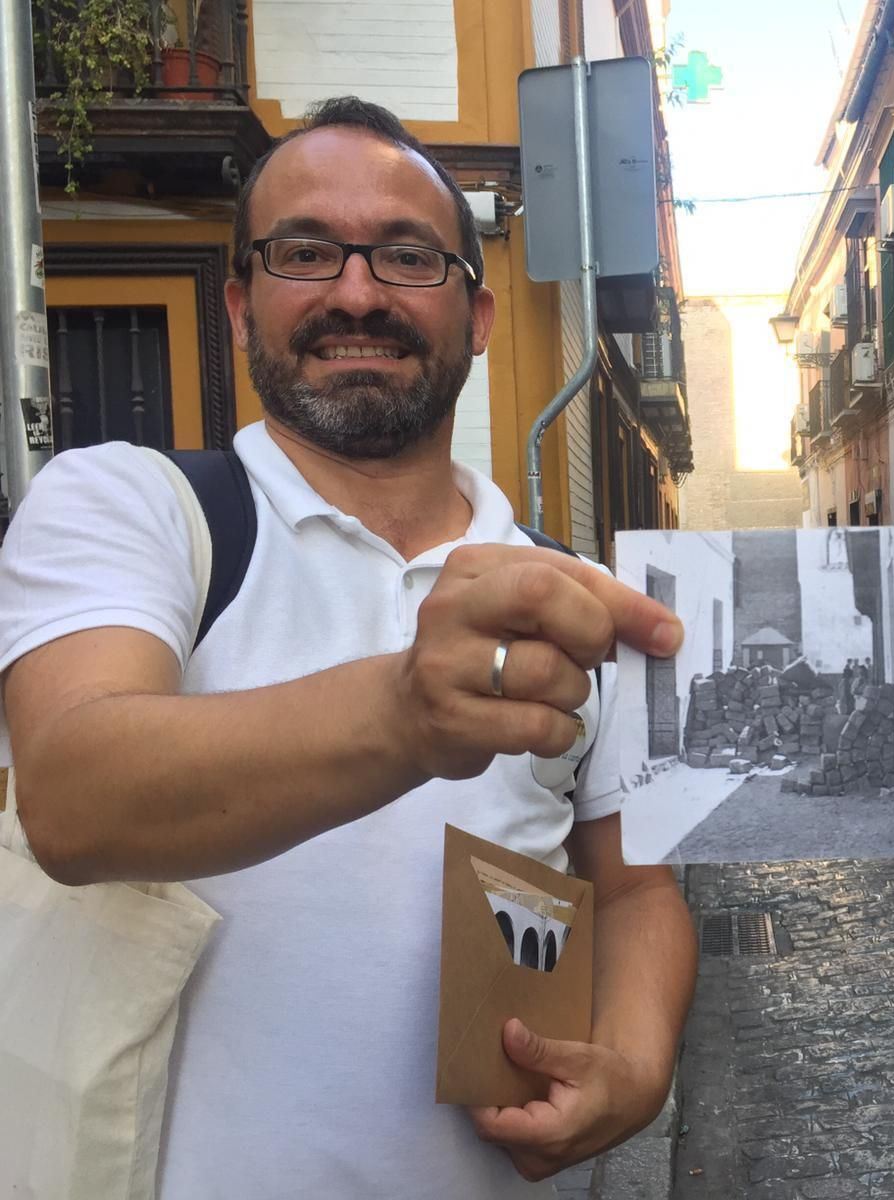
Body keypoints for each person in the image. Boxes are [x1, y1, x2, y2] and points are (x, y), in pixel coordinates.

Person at [0, 97, 696, 1198]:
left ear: (478, 317)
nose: (359, 294)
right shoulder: (128, 504)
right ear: (241, 304)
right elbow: (71, 798)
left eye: (409, 257)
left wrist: (641, 1062)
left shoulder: (567, 594)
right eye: (306, 251)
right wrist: (406, 713)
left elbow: (634, 888)